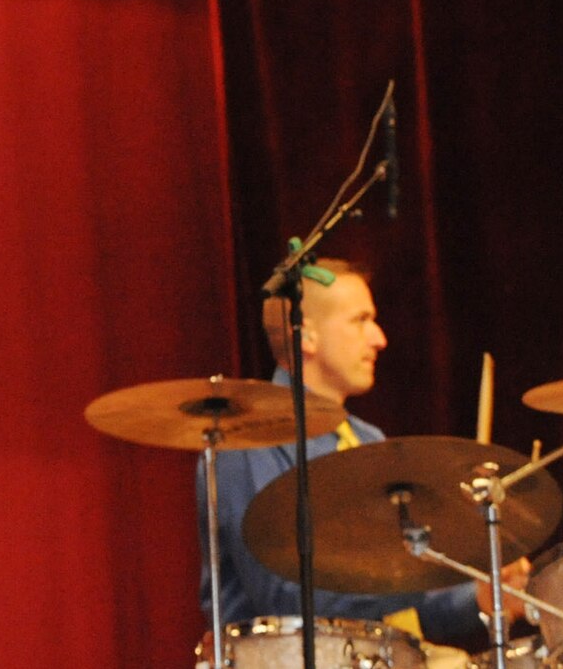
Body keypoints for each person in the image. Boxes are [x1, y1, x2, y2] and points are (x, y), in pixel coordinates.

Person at [198, 257, 528, 655]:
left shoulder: (367, 440)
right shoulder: (246, 444)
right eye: (361, 320)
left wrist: (478, 597)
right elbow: (286, 601)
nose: (379, 338)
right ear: (308, 336)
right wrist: (414, 574)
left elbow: (403, 614)